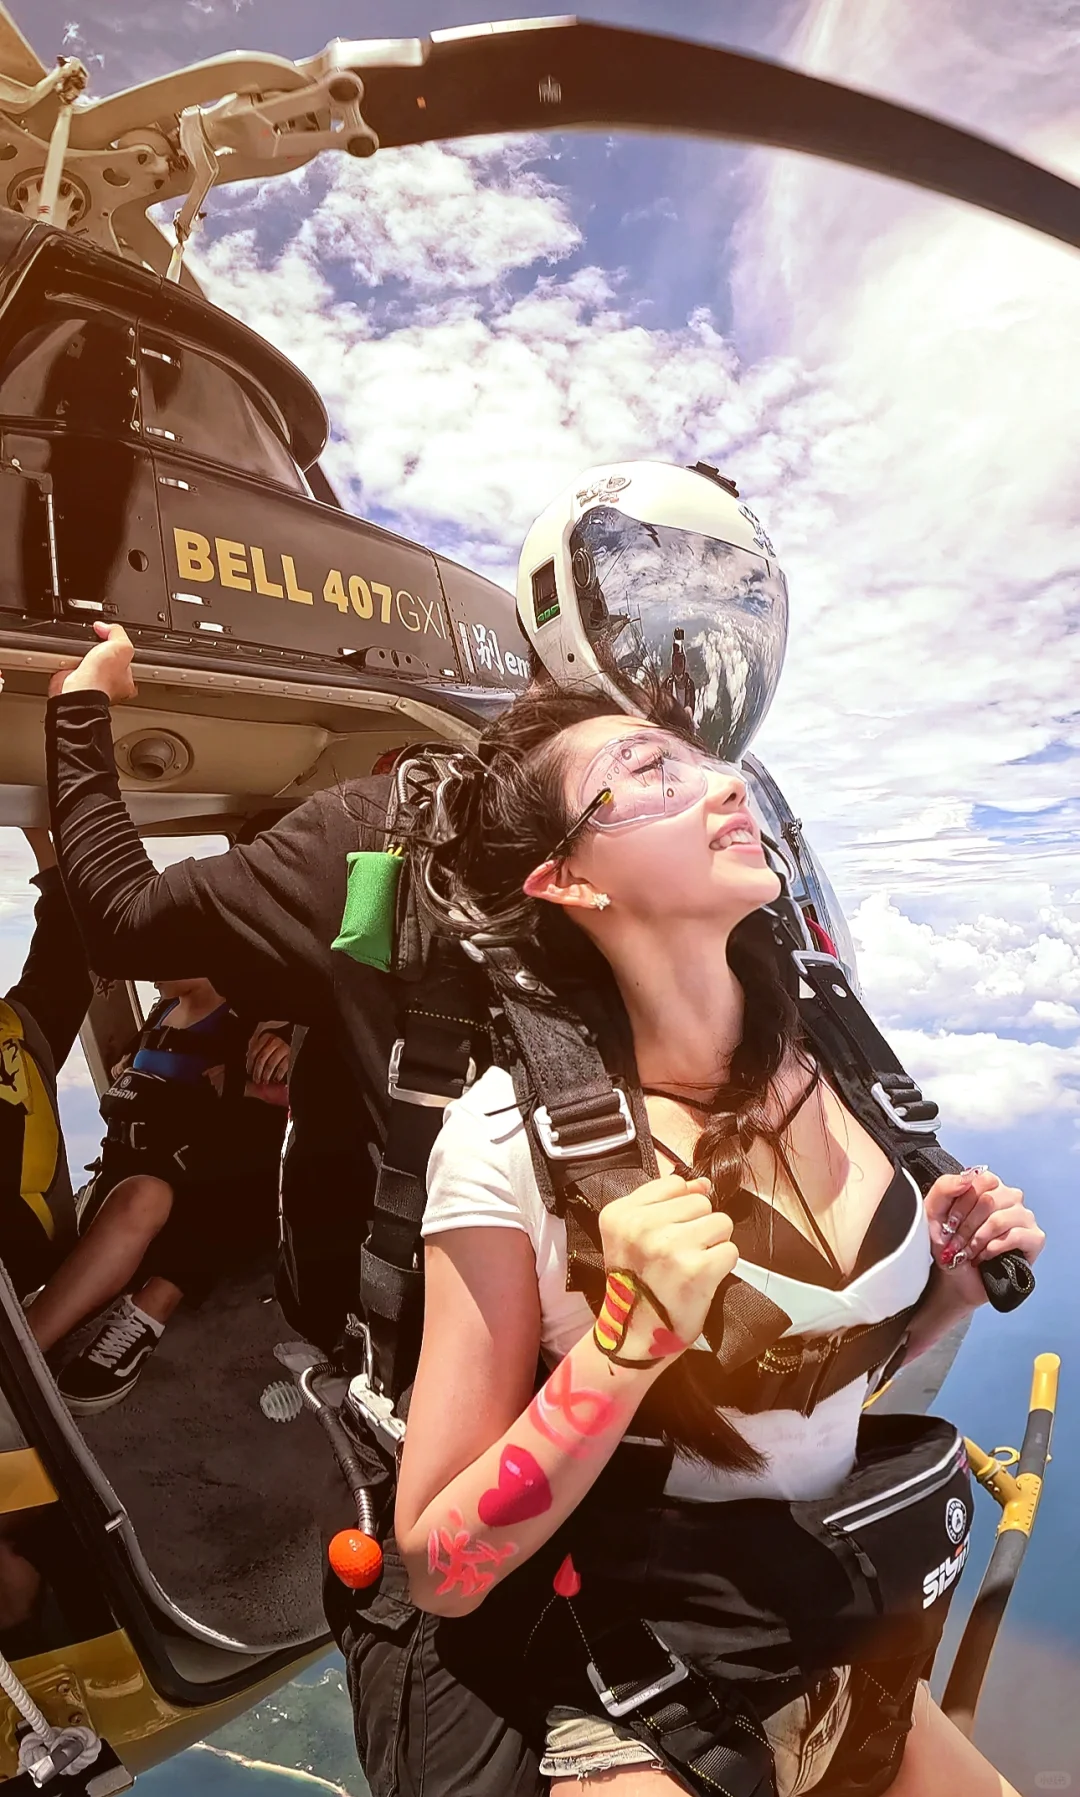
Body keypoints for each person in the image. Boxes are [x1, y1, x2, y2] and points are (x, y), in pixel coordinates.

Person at [385, 678, 1045, 1797]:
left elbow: (797, 1399)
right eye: (647, 773)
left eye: (700, 760)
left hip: (845, 1644)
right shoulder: (507, 1145)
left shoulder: (841, 1066)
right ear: (567, 880)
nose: (723, 784)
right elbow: (440, 1568)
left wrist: (946, 1295)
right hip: (654, 1697)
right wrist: (621, 1349)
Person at [24, 976, 289, 1412]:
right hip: (121, 1188)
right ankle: (37, 1328)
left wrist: (265, 1070)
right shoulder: (161, 1015)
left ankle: (26, 1355)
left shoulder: (259, 1026)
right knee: (133, 1195)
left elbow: (278, 1130)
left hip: (199, 1206)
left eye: (159, 955)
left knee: (145, 1194)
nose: (147, 972)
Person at [0, 826, 91, 1304]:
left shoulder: (16, 1030)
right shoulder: (16, 1032)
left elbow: (65, 948)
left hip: (36, 1271)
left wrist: (37, 832)